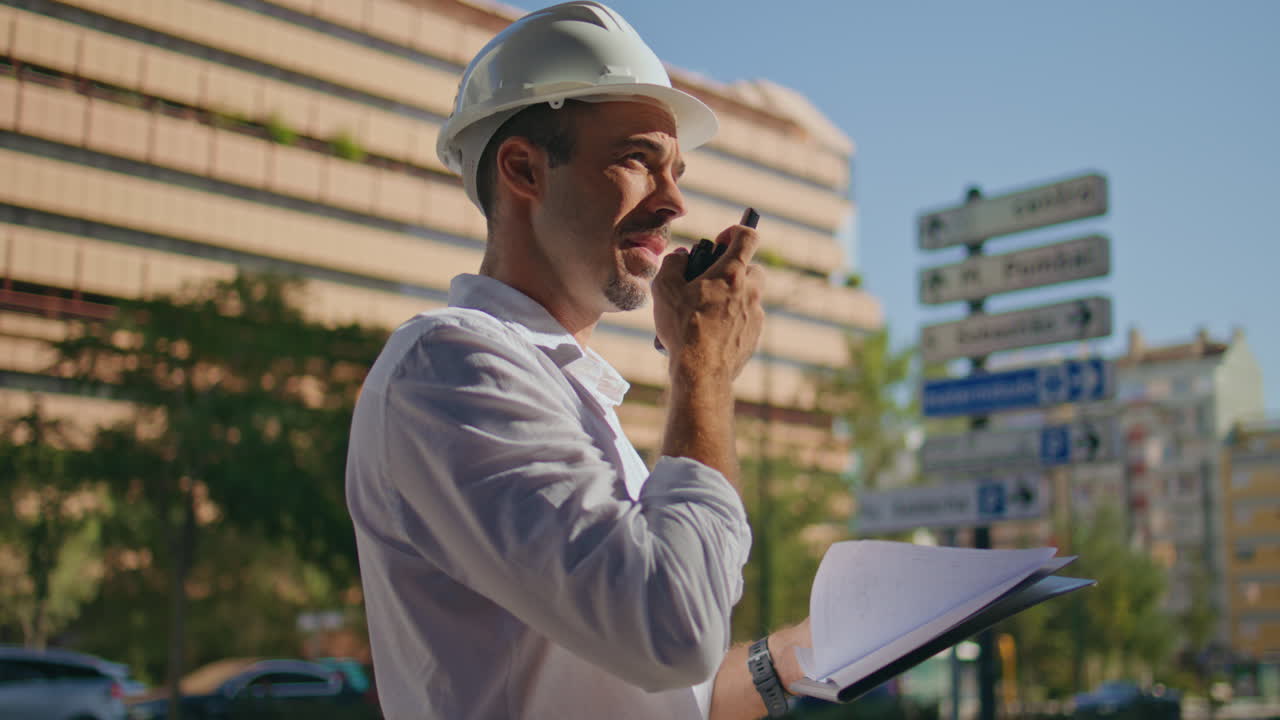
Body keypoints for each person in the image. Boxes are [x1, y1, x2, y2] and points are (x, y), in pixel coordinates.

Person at [345, 2, 809, 718]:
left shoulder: (567, 397)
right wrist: (704, 370)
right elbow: (672, 629)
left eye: (677, 171)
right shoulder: (448, 369)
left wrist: (825, 649)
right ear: (524, 169)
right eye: (638, 160)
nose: (675, 202)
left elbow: (663, 684)